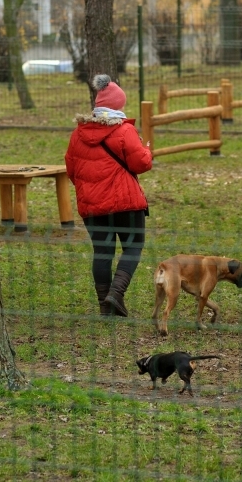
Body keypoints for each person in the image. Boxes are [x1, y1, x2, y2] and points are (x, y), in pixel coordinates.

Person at [65, 74, 152, 317]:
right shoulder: (125, 131)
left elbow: (71, 170)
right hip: (126, 204)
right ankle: (116, 293)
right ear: (118, 106)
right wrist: (146, 150)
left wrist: (90, 190)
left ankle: (105, 305)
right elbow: (140, 164)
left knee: (102, 253)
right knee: (133, 247)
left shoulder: (78, 134)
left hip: (92, 206)